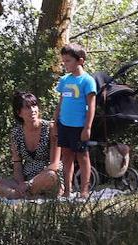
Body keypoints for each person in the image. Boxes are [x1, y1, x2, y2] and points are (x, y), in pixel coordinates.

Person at [0, 91, 62, 199]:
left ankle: (17, 194)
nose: (33, 110)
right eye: (27, 107)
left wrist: (30, 183)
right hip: (25, 181)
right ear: (19, 113)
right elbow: (17, 165)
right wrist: (21, 184)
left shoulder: (51, 128)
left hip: (45, 177)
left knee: (50, 176)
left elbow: (55, 164)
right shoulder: (16, 133)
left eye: (34, 105)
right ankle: (19, 194)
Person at [55, 43, 97, 199]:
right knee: (66, 157)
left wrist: (87, 127)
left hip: (79, 126)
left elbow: (92, 106)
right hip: (64, 125)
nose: (65, 64)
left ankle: (84, 190)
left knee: (83, 157)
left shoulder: (88, 81)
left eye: (68, 61)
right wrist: (55, 121)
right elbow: (61, 102)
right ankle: (67, 189)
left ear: (80, 61)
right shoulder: (65, 80)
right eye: (64, 61)